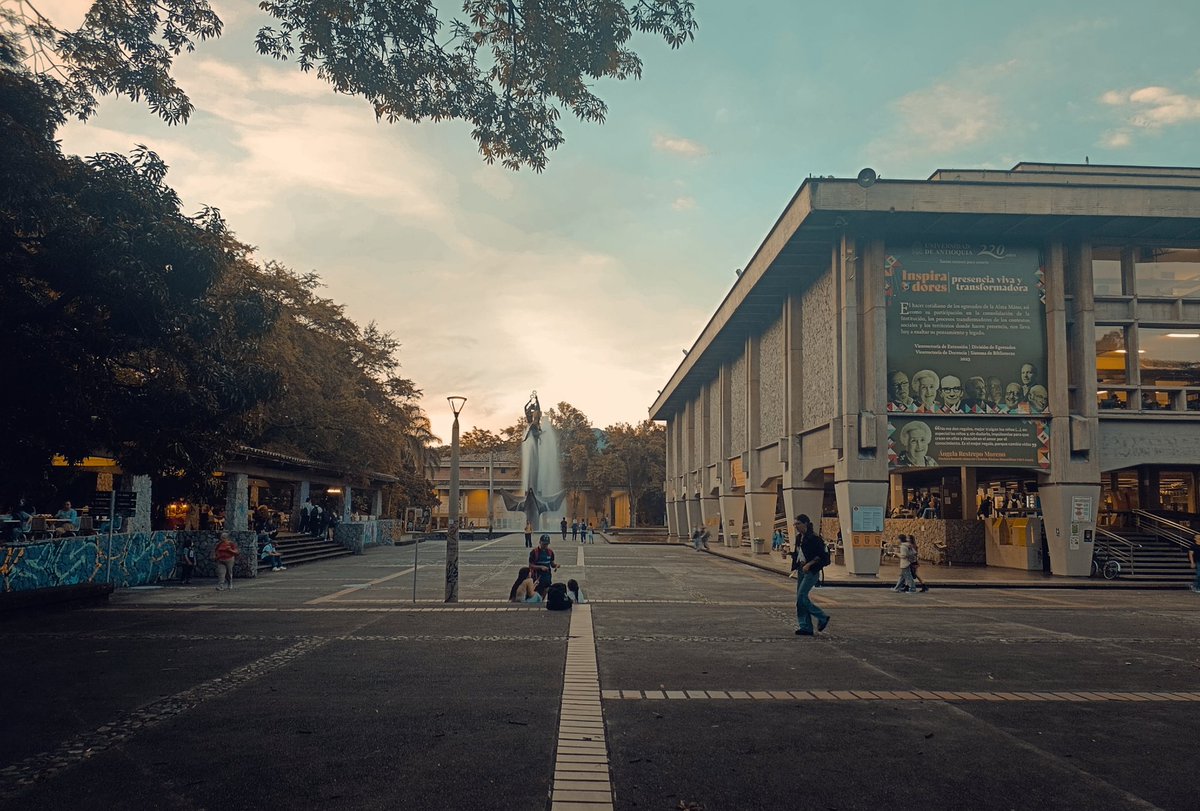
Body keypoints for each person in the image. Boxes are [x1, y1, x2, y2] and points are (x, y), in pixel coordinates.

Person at [790, 514, 830, 636]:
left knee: (802, 597)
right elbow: (799, 553)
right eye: (795, 524)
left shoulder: (814, 538)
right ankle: (805, 626)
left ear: (805, 523)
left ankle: (822, 616)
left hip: (811, 571)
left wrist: (809, 564)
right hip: (801, 570)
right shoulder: (799, 538)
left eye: (798, 524)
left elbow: (821, 556)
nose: (796, 526)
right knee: (800, 599)